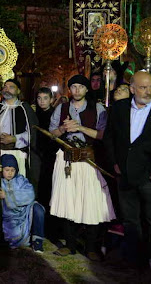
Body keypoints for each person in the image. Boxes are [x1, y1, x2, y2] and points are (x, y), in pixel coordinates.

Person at [104, 71, 151, 269]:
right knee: (130, 220)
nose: (149, 91)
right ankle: (134, 261)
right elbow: (109, 137)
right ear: (132, 89)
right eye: (143, 87)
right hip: (124, 175)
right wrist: (114, 163)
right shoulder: (119, 108)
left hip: (150, 177)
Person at [48, 74, 114, 260]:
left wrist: (80, 128)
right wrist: (63, 129)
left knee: (91, 202)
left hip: (89, 160)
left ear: (86, 89)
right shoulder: (62, 108)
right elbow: (52, 133)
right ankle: (69, 245)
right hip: (67, 160)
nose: (77, 90)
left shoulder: (98, 108)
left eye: (81, 87)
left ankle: (91, 247)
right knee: (67, 201)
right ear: (70, 89)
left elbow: (103, 135)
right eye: (73, 87)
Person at [0, 154, 45, 252]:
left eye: (12, 170)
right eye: (7, 170)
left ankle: (37, 242)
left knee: (38, 209)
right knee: (14, 236)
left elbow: (30, 194)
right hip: (7, 219)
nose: (10, 173)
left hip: (22, 216)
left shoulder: (21, 180)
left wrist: (7, 196)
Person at [0, 79, 38, 186]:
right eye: (5, 87)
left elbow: (32, 133)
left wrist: (14, 139)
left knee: (15, 186)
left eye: (11, 87)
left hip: (16, 153)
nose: (7, 89)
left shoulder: (24, 108)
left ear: (18, 91)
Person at [33, 87, 55, 209]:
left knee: (47, 180)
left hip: (50, 153)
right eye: (39, 98)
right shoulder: (35, 114)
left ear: (51, 100)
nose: (42, 101)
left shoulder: (54, 114)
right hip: (37, 151)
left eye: (45, 98)